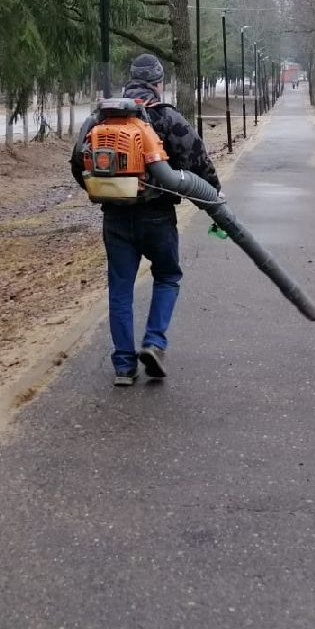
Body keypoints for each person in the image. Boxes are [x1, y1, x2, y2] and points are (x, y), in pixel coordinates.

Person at [72, 53, 219, 387]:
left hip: (115, 217)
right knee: (167, 276)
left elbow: (77, 161)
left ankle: (124, 366)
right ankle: (153, 343)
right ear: (158, 82)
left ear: (131, 79)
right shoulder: (166, 118)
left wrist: (105, 191)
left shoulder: (100, 118)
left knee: (120, 289)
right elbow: (198, 160)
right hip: (157, 216)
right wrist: (215, 199)